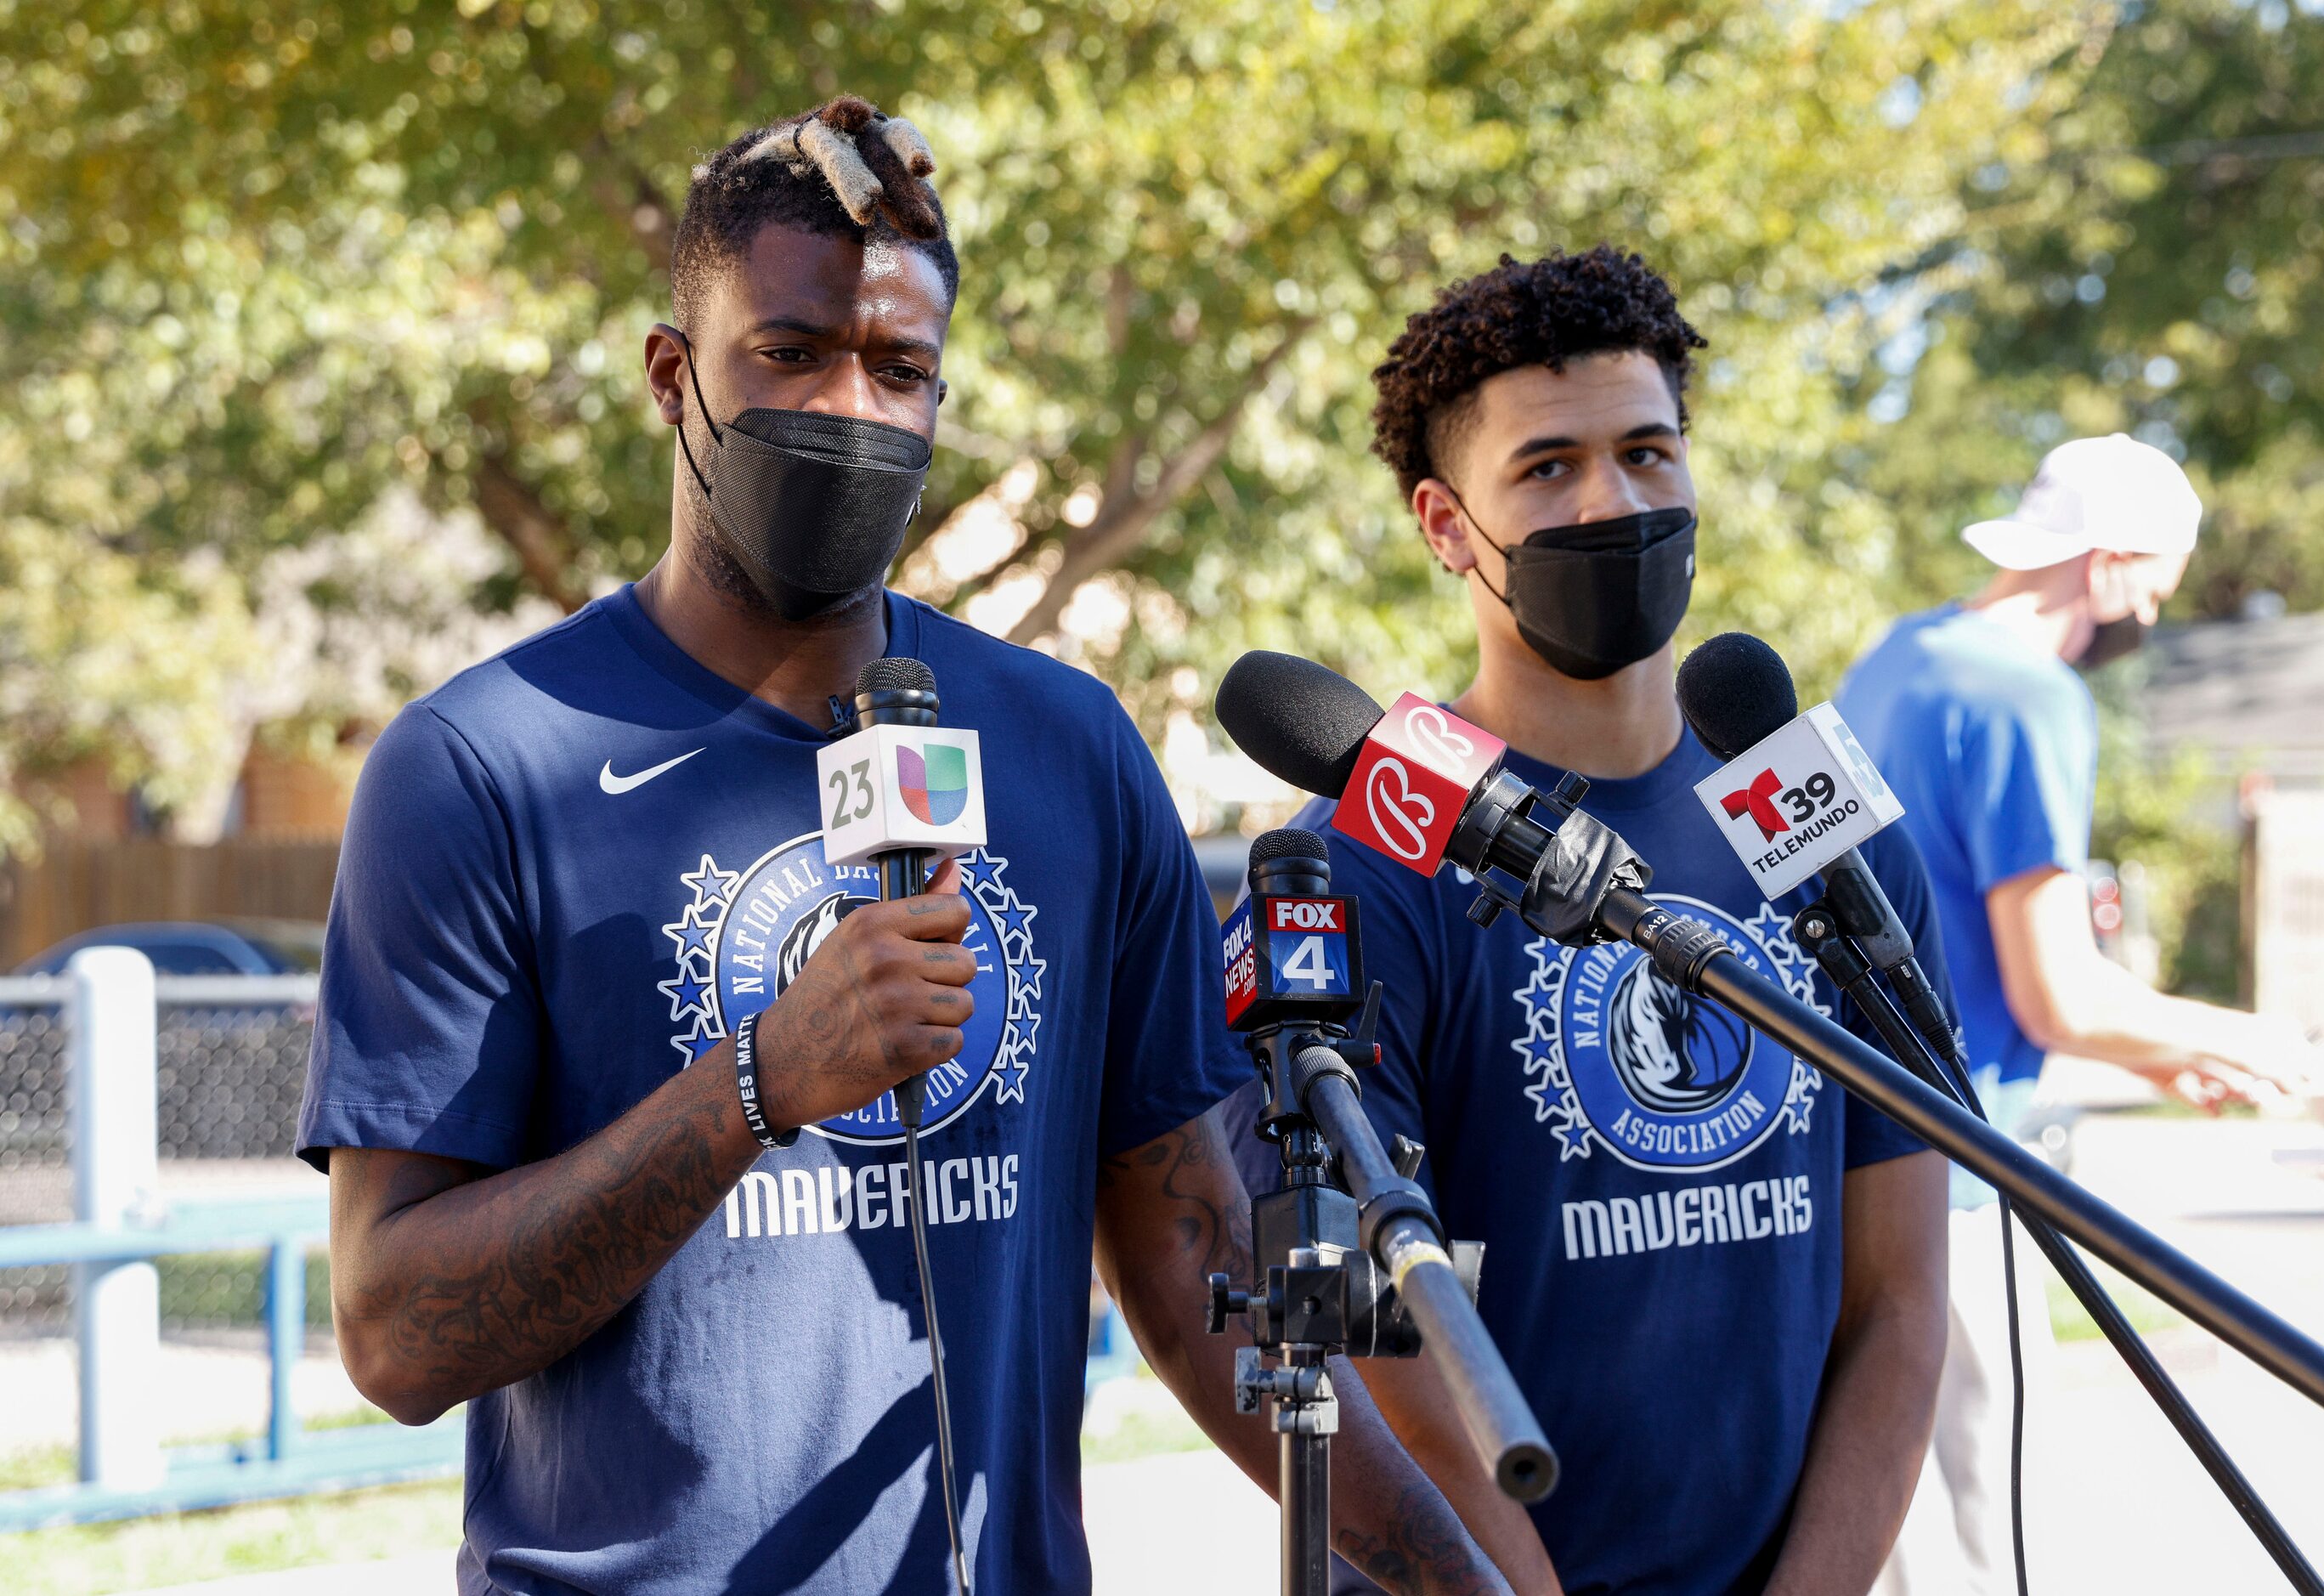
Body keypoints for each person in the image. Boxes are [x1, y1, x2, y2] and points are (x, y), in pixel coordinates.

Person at [297, 98, 1518, 1596]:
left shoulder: (1068, 748)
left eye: (901, 369)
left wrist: (1462, 1579)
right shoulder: (480, 765)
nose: (852, 412)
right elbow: (394, 1334)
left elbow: (1189, 1271)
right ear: (673, 378)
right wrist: (759, 1084)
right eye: (792, 353)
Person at [1227, 248, 1952, 1596]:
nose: (1614, 499)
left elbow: (1902, 1299)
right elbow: (1376, 1349)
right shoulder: (1368, 863)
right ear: (1448, 527)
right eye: (1548, 467)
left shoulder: (1824, 827)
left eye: (1648, 451)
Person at [1837, 432, 2324, 1593]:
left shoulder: (1896, 659)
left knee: (1876, 1537)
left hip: (1844, 1165)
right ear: (2110, 561)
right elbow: (2060, 992)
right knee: (1976, 1549)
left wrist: (2167, 1054)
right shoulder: (2030, 693)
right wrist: (2266, 1045)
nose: (2150, 613)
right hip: (1959, 1181)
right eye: (2158, 583)